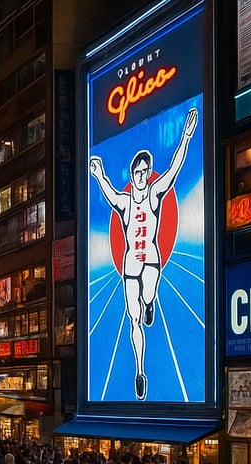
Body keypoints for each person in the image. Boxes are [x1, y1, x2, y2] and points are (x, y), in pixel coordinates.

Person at [89, 106, 198, 400]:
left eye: (145, 171)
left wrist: (186, 138)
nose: (141, 175)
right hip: (129, 266)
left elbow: (174, 169)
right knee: (133, 318)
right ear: (132, 172)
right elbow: (110, 193)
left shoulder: (154, 194)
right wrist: (98, 175)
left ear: (149, 174)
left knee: (147, 296)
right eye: (137, 171)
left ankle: (150, 302)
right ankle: (140, 370)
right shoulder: (125, 202)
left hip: (150, 260)